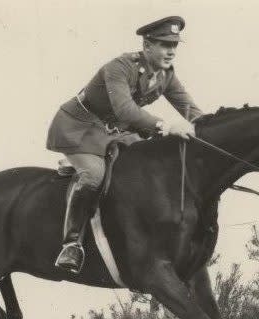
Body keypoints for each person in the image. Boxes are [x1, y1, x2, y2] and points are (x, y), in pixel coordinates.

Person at [46, 16, 204, 274]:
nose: (171, 51)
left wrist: (209, 131)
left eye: (175, 45)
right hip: (81, 128)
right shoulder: (120, 67)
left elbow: (191, 110)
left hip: (116, 132)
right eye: (165, 44)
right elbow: (126, 110)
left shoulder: (166, 75)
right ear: (147, 45)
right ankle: (72, 244)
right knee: (94, 176)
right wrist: (166, 126)